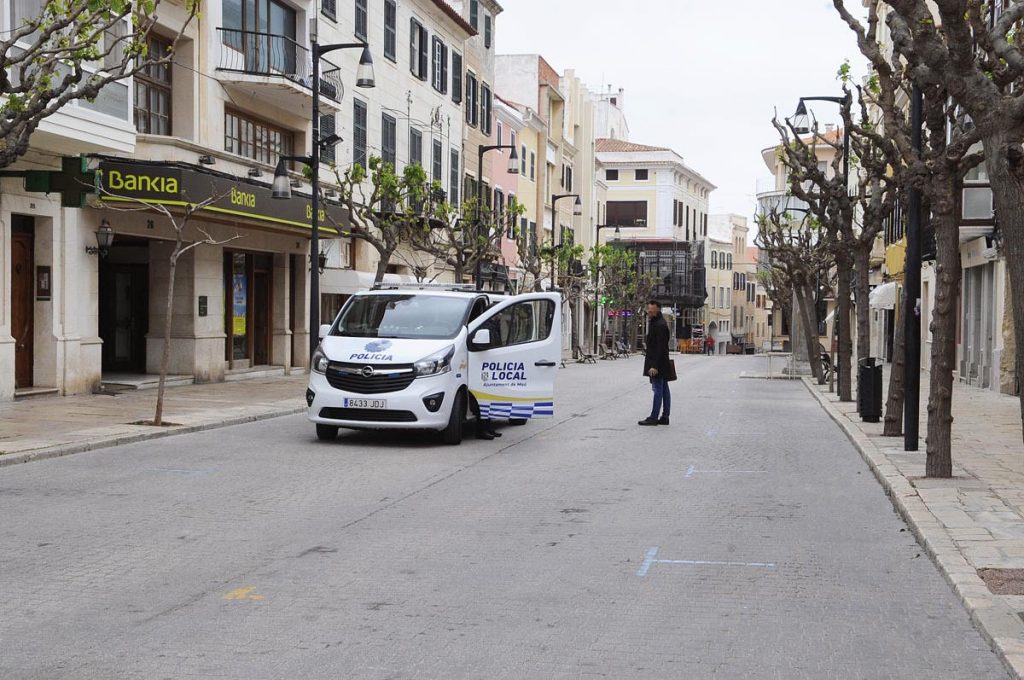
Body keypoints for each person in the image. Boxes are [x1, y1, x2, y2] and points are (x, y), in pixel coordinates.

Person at [639, 300, 671, 426]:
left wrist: (654, 366)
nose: (649, 312)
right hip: (662, 362)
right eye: (648, 309)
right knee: (664, 389)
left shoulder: (659, 325)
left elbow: (661, 347)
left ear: (658, 309)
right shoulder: (657, 322)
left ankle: (654, 417)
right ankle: (665, 416)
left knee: (658, 389)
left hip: (658, 363)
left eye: (651, 310)